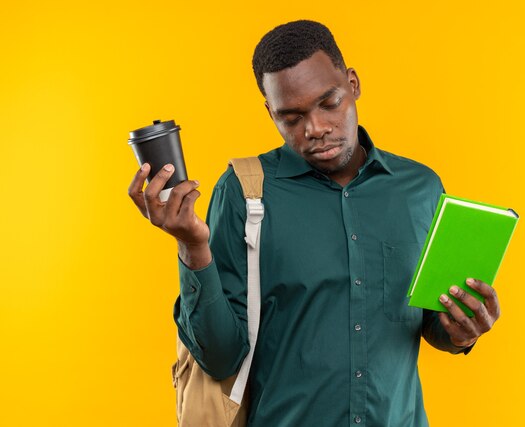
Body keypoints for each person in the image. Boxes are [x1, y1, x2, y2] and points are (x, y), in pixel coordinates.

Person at [128, 19, 500, 426]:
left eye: (329, 103)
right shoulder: (244, 192)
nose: (316, 129)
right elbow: (220, 358)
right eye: (291, 117)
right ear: (270, 112)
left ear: (353, 84)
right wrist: (193, 247)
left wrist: (463, 330)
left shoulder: (421, 189)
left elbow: (431, 324)